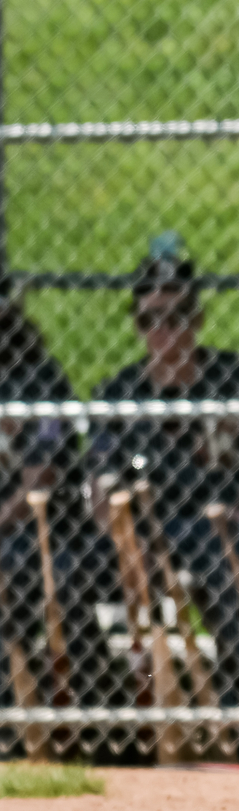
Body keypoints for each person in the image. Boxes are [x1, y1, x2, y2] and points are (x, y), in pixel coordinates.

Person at [88, 233, 239, 708]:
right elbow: (99, 488)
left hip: (225, 526)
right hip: (147, 533)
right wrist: (127, 542)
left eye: (176, 317)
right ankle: (104, 708)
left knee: (227, 556)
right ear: (136, 324)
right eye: (149, 319)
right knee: (74, 570)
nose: (164, 331)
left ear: (197, 319)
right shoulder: (118, 393)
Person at [0, 280, 109, 715]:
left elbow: (38, 484)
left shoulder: (37, 378)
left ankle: (86, 703)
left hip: (39, 529)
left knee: (42, 568)